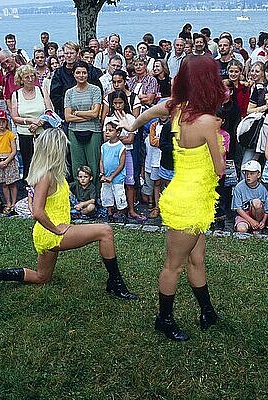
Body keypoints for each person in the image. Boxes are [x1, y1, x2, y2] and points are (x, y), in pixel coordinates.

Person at [116, 55, 226, 341]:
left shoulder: (173, 107)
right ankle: (163, 320)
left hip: (189, 196)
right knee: (173, 265)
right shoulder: (208, 122)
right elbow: (220, 169)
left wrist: (131, 125)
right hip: (191, 200)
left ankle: (207, 312)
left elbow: (148, 113)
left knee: (197, 260)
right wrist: (221, 146)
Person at [0, 127, 138, 299]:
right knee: (105, 231)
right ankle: (115, 282)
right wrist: (57, 230)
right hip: (52, 233)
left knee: (42, 277)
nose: (66, 149)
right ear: (55, 149)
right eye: (63, 146)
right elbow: (37, 212)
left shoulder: (53, 172)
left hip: (48, 231)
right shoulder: (46, 176)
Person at [105, 89, 144, 220]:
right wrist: (119, 137)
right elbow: (106, 138)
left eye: (120, 103)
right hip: (111, 154)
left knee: (129, 182)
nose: (117, 106)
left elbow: (130, 139)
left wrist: (115, 137)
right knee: (114, 181)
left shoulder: (130, 118)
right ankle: (119, 209)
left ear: (125, 102)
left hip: (127, 153)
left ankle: (131, 209)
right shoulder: (109, 118)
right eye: (115, 103)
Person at [10, 64, 53, 179]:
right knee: (28, 162)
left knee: (44, 162)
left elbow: (49, 110)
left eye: (32, 76)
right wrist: (29, 121)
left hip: (42, 133)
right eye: (27, 77)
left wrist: (39, 122)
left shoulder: (41, 90)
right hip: (24, 133)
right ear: (21, 79)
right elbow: (15, 117)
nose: (30, 79)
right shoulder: (16, 95)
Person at [64, 61, 103, 185]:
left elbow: (95, 113)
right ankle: (80, 197)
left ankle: (94, 196)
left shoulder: (95, 90)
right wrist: (88, 114)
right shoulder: (69, 92)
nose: (81, 75)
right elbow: (67, 117)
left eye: (84, 72)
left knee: (93, 165)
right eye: (78, 73)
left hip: (93, 131)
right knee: (77, 165)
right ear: (74, 74)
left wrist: (77, 113)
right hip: (74, 131)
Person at [0, 109, 20, 215]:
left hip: (9, 161)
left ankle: (14, 203)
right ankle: (8, 202)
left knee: (12, 183)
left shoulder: (10, 134)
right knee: (4, 184)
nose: (1, 124)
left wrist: (7, 161)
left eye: (3, 121)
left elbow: (14, 150)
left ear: (6, 122)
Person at [232, 160, 268, 233]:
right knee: (241, 229)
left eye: (252, 173)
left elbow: (267, 209)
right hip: (243, 215)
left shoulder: (262, 189)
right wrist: (251, 221)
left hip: (256, 214)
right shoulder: (239, 187)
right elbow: (238, 209)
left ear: (258, 175)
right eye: (246, 173)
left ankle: (256, 226)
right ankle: (252, 225)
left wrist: (263, 221)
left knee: (256, 202)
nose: (248, 176)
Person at [100, 119, 127, 219]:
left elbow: (121, 164)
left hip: (117, 177)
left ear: (118, 132)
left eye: (110, 130)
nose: (107, 132)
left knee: (119, 194)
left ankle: (121, 213)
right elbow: (101, 161)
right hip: (106, 177)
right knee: (107, 195)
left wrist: (112, 176)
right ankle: (110, 213)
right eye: (106, 130)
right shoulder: (104, 146)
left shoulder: (121, 147)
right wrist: (102, 174)